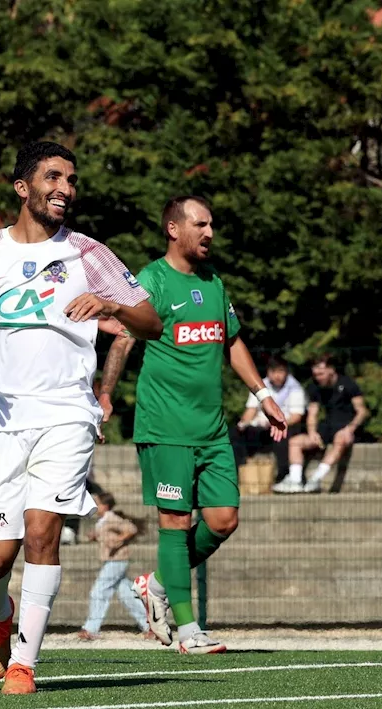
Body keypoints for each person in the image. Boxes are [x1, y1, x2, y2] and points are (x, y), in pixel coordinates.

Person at [0, 141, 161, 694]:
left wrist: (114, 305)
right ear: (23, 188)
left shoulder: (89, 254)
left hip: (67, 412)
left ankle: (25, 663)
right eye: (53, 177)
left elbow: (149, 321)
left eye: (71, 179)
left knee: (42, 531)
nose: (66, 189)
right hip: (0, 417)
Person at [100, 195, 286, 654]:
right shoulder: (151, 280)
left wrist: (263, 396)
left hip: (211, 428)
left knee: (224, 520)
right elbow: (122, 341)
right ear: (173, 229)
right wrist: (104, 394)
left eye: (211, 225)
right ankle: (188, 631)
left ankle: (159, 583)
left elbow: (233, 342)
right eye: (200, 225)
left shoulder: (214, 283)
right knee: (175, 522)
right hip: (165, 426)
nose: (209, 233)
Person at [273, 354, 368, 494]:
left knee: (341, 439)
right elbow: (313, 413)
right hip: (328, 426)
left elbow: (362, 412)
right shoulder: (314, 386)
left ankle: (316, 479)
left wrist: (350, 429)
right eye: (316, 374)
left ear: (331, 370)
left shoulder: (348, 384)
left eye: (321, 373)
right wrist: (312, 433)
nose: (318, 377)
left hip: (347, 427)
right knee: (295, 442)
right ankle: (295, 480)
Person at [77, 492, 151, 641]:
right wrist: (95, 537)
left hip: (117, 560)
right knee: (128, 595)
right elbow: (105, 535)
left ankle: (91, 628)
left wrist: (119, 540)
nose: (96, 507)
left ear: (105, 505)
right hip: (112, 560)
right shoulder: (102, 520)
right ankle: (151, 626)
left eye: (97, 504)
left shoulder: (111, 518)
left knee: (98, 592)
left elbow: (131, 529)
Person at [232, 355, 306, 479]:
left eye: (280, 371)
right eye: (273, 371)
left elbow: (296, 416)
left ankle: (283, 476)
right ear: (268, 372)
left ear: (286, 372)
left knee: (280, 436)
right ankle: (237, 473)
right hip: (261, 427)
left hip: (284, 425)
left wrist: (277, 424)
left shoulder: (295, 388)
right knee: (235, 434)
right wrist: (242, 424)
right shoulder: (259, 385)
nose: (277, 375)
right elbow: (251, 409)